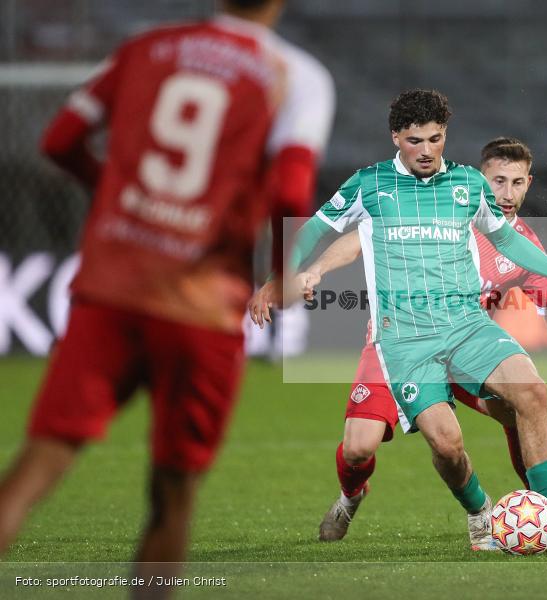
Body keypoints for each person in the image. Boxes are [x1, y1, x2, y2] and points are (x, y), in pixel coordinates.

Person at [0, 0, 334, 592]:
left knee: (39, 462)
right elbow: (289, 189)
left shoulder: (145, 46)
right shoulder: (295, 76)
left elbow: (59, 139)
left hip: (112, 287)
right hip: (201, 305)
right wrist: (284, 273)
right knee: (173, 492)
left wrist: (111, 190)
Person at [264, 89, 547, 551]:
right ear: (396, 137)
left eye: (436, 138)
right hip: (403, 339)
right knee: (420, 446)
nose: (427, 150)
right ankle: (455, 510)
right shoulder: (370, 184)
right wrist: (288, 274)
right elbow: (325, 231)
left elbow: (507, 242)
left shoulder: (467, 185)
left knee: (530, 392)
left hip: (465, 326)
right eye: (415, 140)